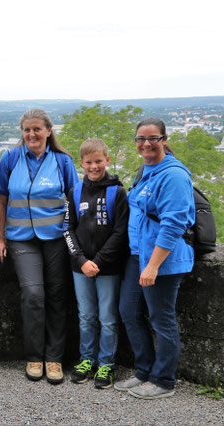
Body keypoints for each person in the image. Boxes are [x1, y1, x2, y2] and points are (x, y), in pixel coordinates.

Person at [0, 109, 78, 385]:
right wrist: (0, 238)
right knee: (32, 295)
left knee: (57, 295)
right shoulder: (11, 159)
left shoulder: (62, 161)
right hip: (20, 238)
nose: (31, 135)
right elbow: (1, 200)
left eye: (36, 129)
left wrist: (73, 238)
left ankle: (54, 357)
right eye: (26, 130)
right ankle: (34, 356)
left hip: (55, 238)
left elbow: (73, 201)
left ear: (49, 131)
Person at [115, 118, 195, 399]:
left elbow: (173, 225)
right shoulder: (146, 170)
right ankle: (143, 372)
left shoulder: (173, 175)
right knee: (129, 312)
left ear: (163, 139)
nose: (146, 143)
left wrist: (153, 265)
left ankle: (163, 381)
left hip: (162, 261)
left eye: (153, 138)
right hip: (138, 255)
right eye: (141, 138)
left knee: (161, 320)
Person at [63, 139, 129, 389]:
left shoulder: (117, 192)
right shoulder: (75, 192)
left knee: (108, 318)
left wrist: (97, 262)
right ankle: (87, 360)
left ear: (107, 161)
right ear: (81, 163)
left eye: (98, 161)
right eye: (88, 162)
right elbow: (67, 229)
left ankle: (106, 364)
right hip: (80, 267)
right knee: (87, 316)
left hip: (108, 268)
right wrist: (81, 260)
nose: (94, 166)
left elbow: (120, 233)